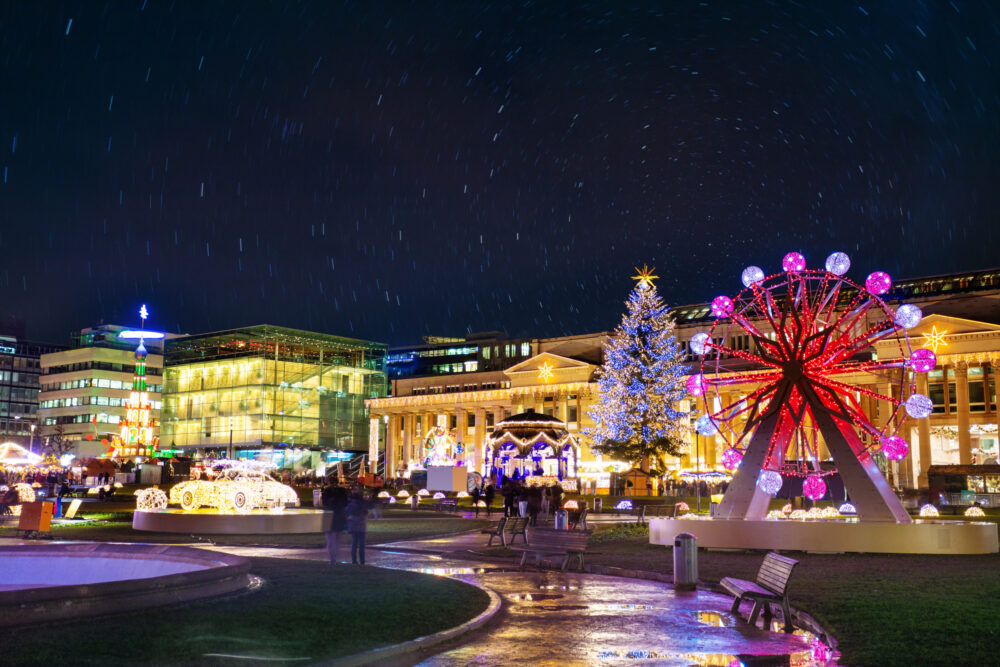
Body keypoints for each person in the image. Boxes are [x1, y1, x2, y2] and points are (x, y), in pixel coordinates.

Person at [322, 483, 348, 565]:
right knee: (337, 540)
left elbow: (324, 503)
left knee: (330, 541)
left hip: (330, 517)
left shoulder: (327, 492)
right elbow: (345, 503)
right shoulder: (341, 493)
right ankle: (335, 558)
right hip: (339, 517)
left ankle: (332, 559)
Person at [346, 488, 369, 565]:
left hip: (353, 523)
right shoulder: (362, 501)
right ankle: (362, 560)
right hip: (361, 523)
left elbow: (346, 511)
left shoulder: (349, 501)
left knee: (354, 543)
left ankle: (354, 560)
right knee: (361, 544)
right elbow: (366, 511)